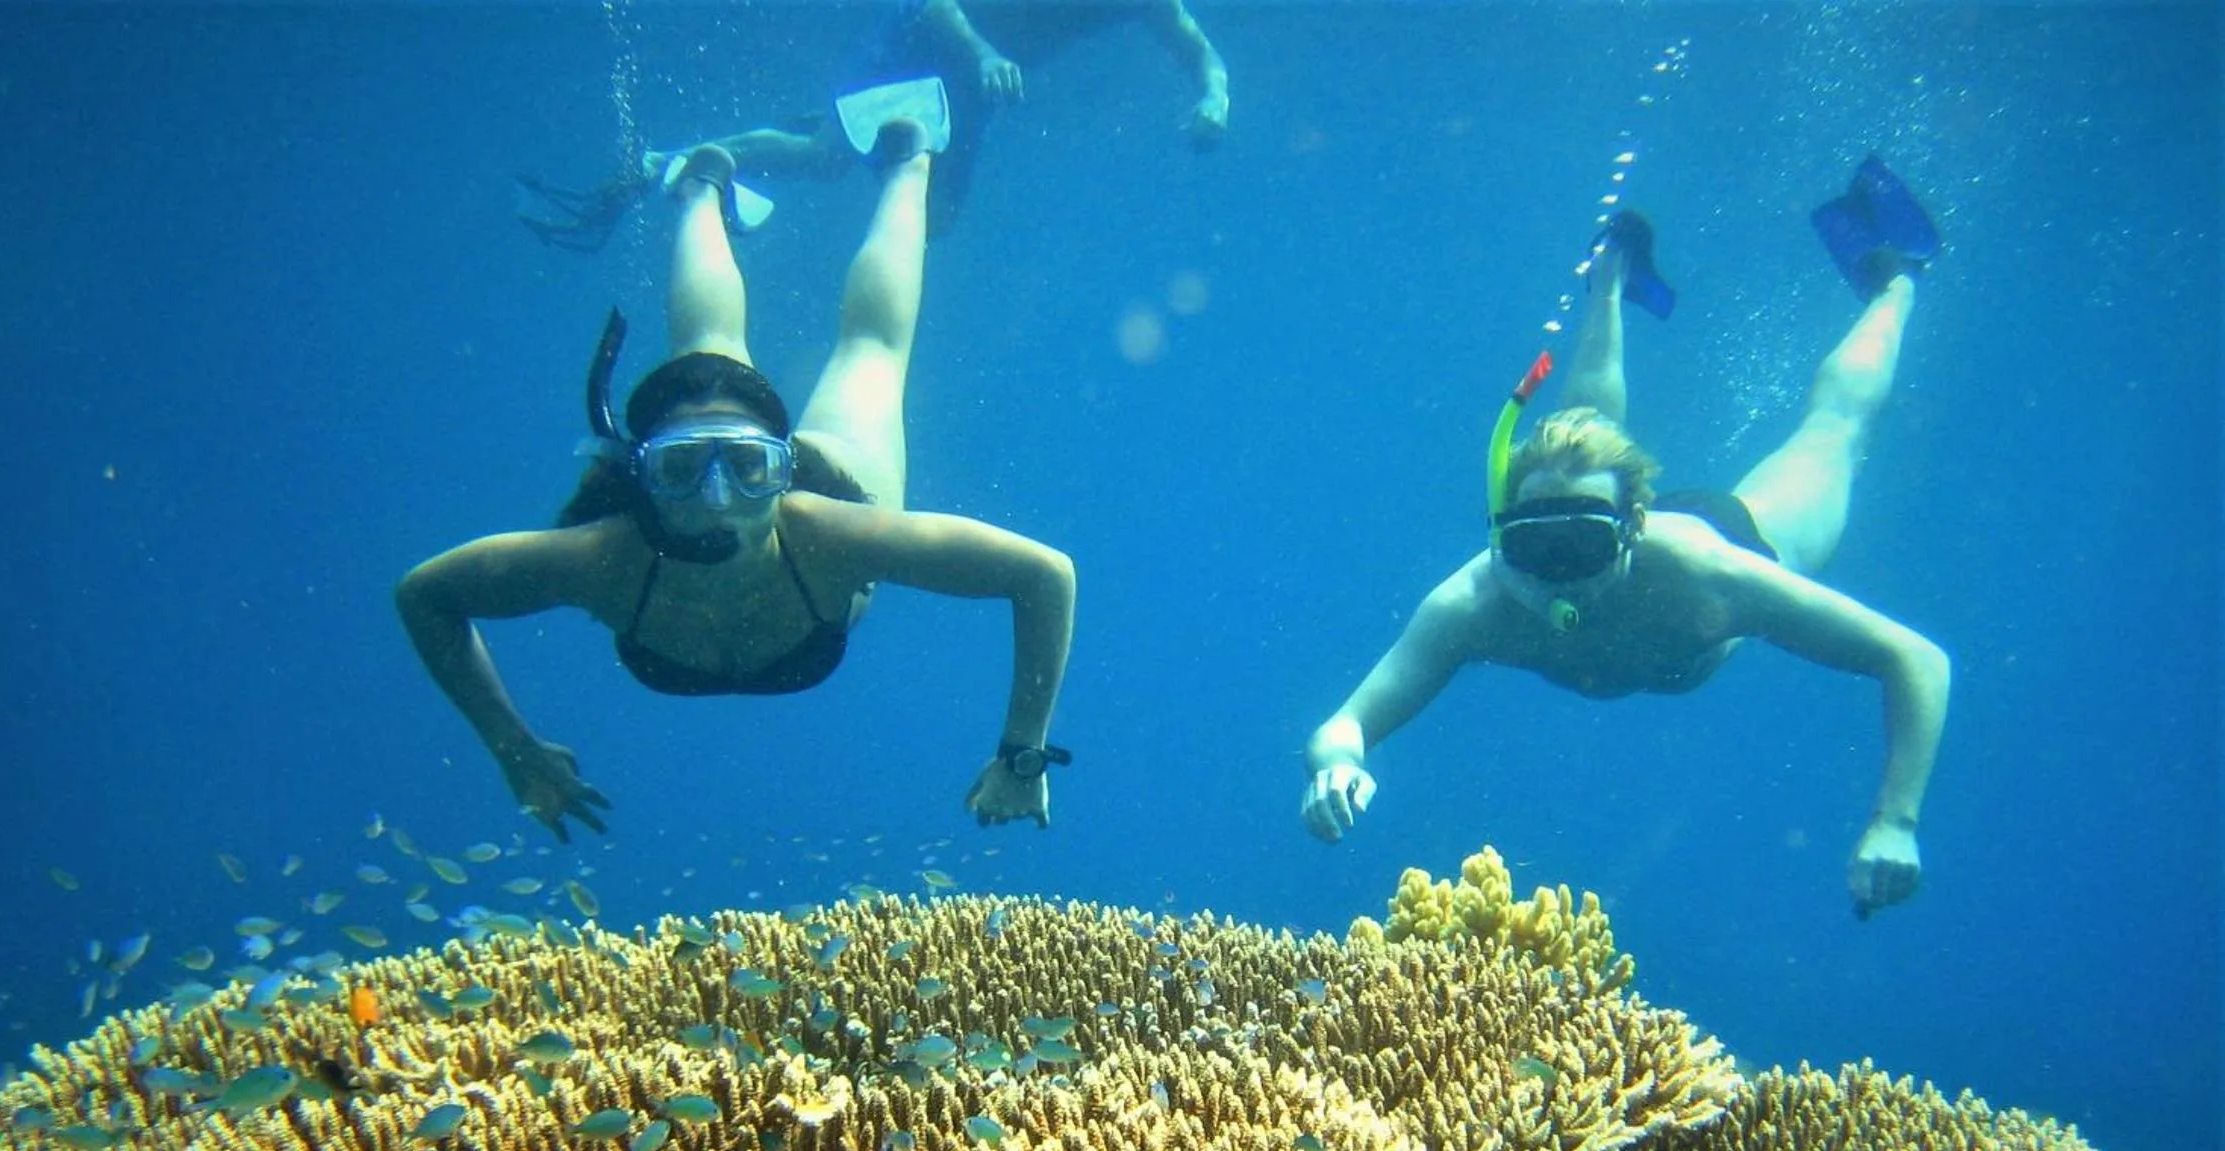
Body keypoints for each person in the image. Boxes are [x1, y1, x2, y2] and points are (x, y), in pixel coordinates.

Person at [400, 91, 1077, 841]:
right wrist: (511, 747)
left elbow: (1045, 574)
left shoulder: (836, 532)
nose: (717, 498)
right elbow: (424, 596)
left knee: (870, 350)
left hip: (837, 476)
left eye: (751, 467)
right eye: (682, 469)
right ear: (642, 477)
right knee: (715, 351)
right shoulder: (598, 559)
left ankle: (906, 162)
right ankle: (702, 183)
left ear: (785, 469)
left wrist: (1024, 756)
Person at [1300, 158, 1950, 919]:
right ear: (1507, 534)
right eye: (1538, 547)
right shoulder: (1477, 599)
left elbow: (1916, 657)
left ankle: (1895, 278)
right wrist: (1337, 765)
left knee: (1833, 431)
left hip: (1745, 528)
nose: (1559, 575)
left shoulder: (1714, 574)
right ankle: (1610, 272)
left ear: (1634, 528)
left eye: (1582, 547)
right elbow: (1344, 724)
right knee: (1582, 438)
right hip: (1606, 509)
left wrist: (1896, 822)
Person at [518, 0, 1230, 249]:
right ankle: (667, 163)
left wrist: (1215, 99)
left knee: (938, 220)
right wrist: (984, 53)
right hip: (922, 45)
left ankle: (822, 134)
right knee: (827, 156)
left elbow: (1199, 50)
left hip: (975, 88)